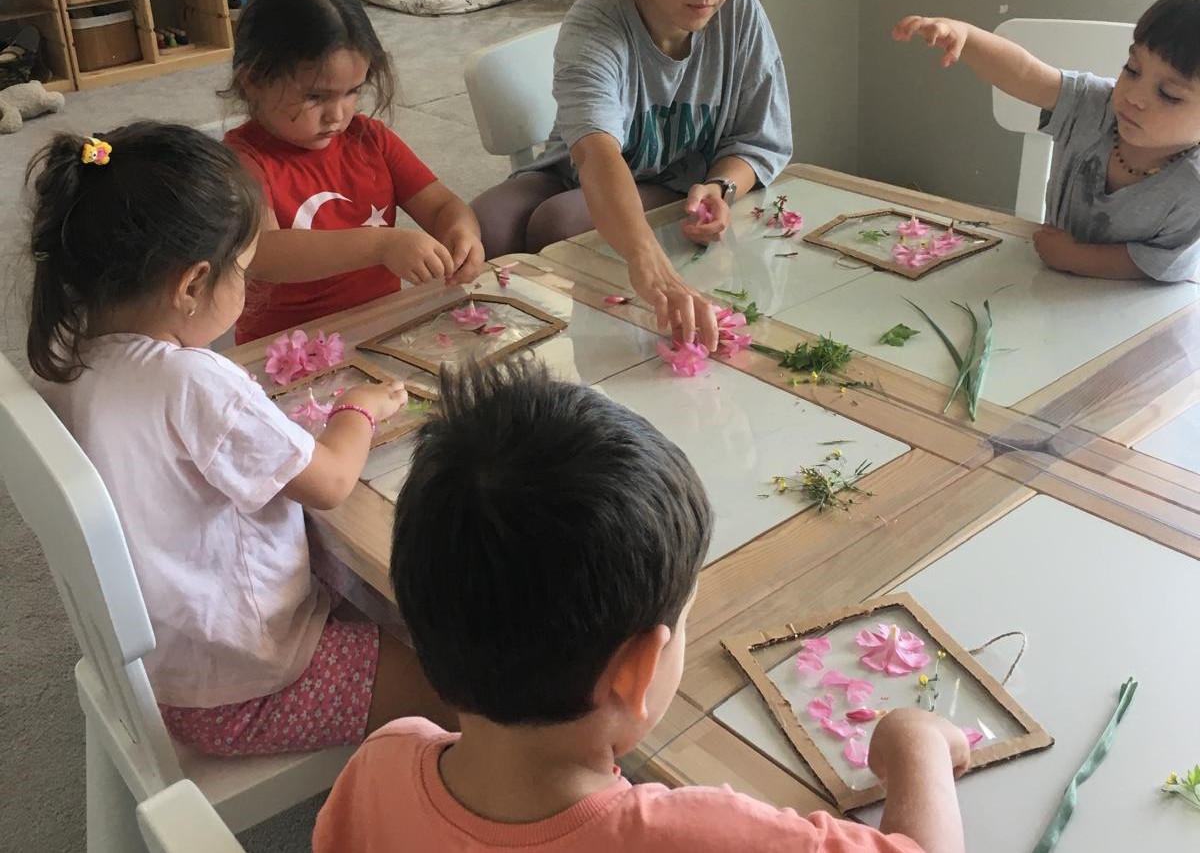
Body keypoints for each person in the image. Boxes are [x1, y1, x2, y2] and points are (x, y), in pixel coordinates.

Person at [314, 360, 969, 853]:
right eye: (684, 619)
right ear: (634, 672)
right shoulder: (700, 836)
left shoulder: (381, 765)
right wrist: (916, 745)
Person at [28, 123, 451, 755]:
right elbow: (332, 483)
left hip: (169, 658)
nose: (249, 287)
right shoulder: (191, 381)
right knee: (473, 691)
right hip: (246, 685)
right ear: (193, 284)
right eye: (245, 271)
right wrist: (358, 409)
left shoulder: (67, 354)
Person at [471, 0, 793, 351]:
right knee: (482, 226)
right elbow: (596, 155)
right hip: (581, 170)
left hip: (679, 183)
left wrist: (721, 187)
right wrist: (648, 261)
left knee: (560, 223)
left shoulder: (742, 12)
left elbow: (758, 138)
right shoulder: (598, 19)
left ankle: (601, 347)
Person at [223, 0, 484, 343]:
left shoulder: (370, 139)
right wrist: (382, 245)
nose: (337, 115)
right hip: (287, 350)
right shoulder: (241, 160)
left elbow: (443, 206)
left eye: (352, 92)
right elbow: (264, 253)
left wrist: (462, 233)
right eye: (316, 97)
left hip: (381, 329)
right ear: (253, 82)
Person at [893, 0, 1200, 281]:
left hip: (1138, 302)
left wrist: (1077, 258)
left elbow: (1159, 262)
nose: (1134, 96)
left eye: (1169, 94)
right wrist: (967, 37)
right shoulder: (1095, 107)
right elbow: (1025, 74)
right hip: (1046, 284)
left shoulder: (1193, 185)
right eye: (1132, 69)